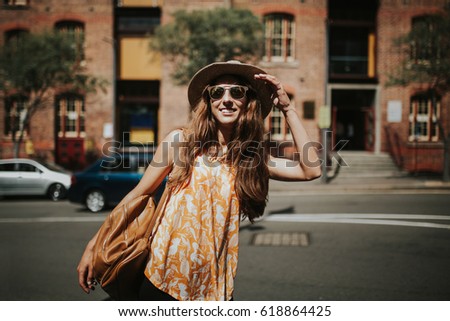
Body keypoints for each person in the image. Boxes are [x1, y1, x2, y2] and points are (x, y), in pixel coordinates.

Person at [77, 60, 321, 301]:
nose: (226, 99)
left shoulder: (251, 158)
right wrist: (93, 245)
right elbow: (138, 194)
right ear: (209, 101)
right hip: (162, 280)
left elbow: (311, 170)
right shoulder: (180, 142)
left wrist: (288, 110)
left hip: (213, 288)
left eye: (237, 92)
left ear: (247, 102)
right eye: (217, 92)